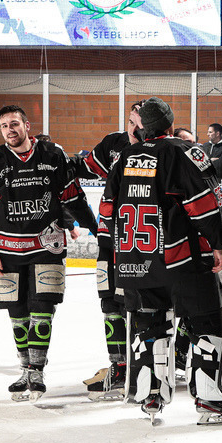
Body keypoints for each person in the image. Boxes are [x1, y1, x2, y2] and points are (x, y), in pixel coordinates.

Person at [101, 97, 222, 423]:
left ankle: (150, 395)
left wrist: (122, 254)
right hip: (180, 259)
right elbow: (203, 203)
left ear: (143, 126)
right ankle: (211, 401)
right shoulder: (184, 151)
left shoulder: (124, 157)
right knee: (207, 323)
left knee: (150, 325)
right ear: (169, 123)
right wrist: (218, 242)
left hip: (135, 261)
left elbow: (107, 211)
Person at [0, 105, 97, 401]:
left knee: (42, 312)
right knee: (17, 315)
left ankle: (37, 371)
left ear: (27, 126)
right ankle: (25, 370)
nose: (9, 130)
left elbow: (73, 197)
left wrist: (96, 229)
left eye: (14, 123)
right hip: (8, 250)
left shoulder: (53, 155)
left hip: (47, 247)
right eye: (4, 125)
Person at [74, 99, 144, 399]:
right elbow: (83, 167)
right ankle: (119, 366)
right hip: (108, 239)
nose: (133, 129)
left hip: (140, 244)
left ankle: (143, 365)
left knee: (138, 305)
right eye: (130, 121)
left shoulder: (161, 150)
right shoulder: (113, 144)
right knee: (109, 304)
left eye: (140, 123)